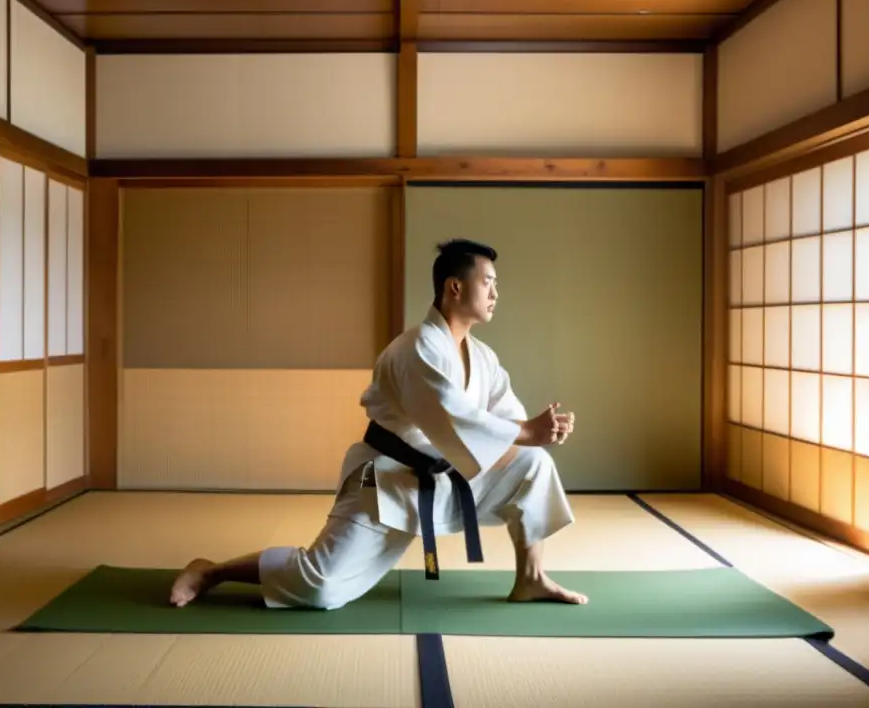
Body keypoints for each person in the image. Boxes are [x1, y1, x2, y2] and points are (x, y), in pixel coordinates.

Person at [170, 239, 587, 610]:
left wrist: (537, 432)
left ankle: (530, 578)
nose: (496, 292)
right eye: (489, 282)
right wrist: (528, 431)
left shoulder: (482, 357)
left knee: (533, 463)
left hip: (442, 479)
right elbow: (454, 418)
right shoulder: (417, 349)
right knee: (320, 586)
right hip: (384, 482)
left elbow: (502, 420)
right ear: (455, 287)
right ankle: (213, 570)